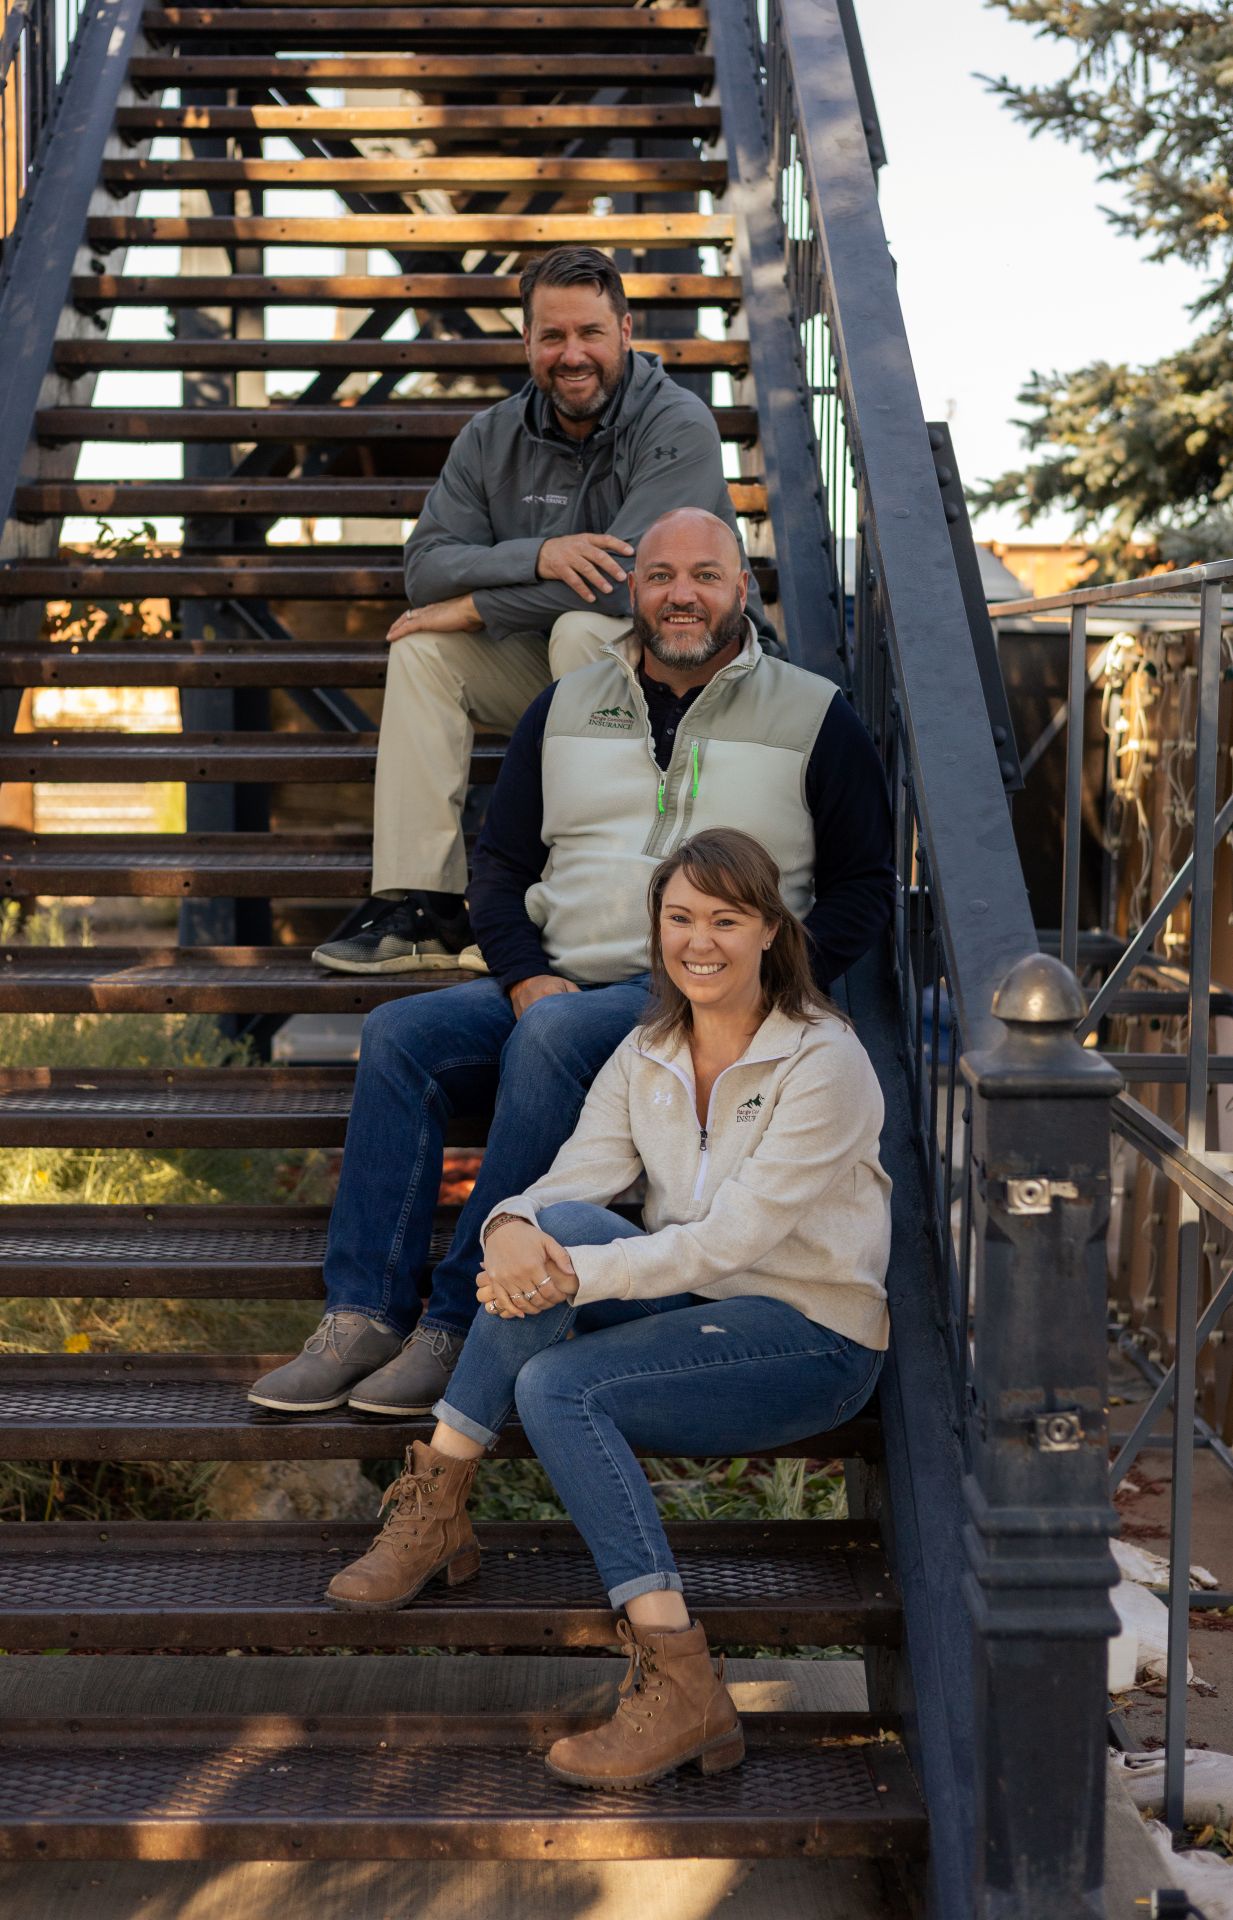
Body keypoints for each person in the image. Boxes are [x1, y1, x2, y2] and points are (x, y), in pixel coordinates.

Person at [248, 506, 894, 1418]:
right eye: (661, 576)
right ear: (632, 590)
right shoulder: (562, 706)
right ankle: (359, 1315)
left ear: (741, 590)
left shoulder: (813, 714)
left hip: (703, 991)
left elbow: (864, 883)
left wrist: (766, 983)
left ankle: (454, 1324)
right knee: (400, 1033)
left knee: (551, 1032)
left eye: (705, 576)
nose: (681, 595)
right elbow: (502, 863)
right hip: (559, 975)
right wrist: (519, 972)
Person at [322, 827, 891, 1793]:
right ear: (656, 929)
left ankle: (681, 1683)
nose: (698, 941)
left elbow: (730, 1240)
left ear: (768, 932)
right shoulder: (649, 1047)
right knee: (564, 1221)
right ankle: (440, 1499)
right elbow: (573, 1179)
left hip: (808, 1336)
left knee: (558, 1385)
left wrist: (573, 1275)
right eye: (679, 918)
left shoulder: (822, 1062)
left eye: (724, 919)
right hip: (688, 1308)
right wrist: (509, 1227)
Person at [312, 243, 772, 976]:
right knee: (422, 653)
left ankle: (586, 892)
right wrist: (536, 555)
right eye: (552, 336)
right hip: (567, 669)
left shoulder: (676, 423)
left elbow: (636, 583)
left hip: (692, 679)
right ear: (526, 341)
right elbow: (423, 566)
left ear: (625, 331)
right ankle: (420, 906)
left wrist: (475, 607)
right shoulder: (489, 437)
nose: (571, 354)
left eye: (589, 333)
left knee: (580, 628)